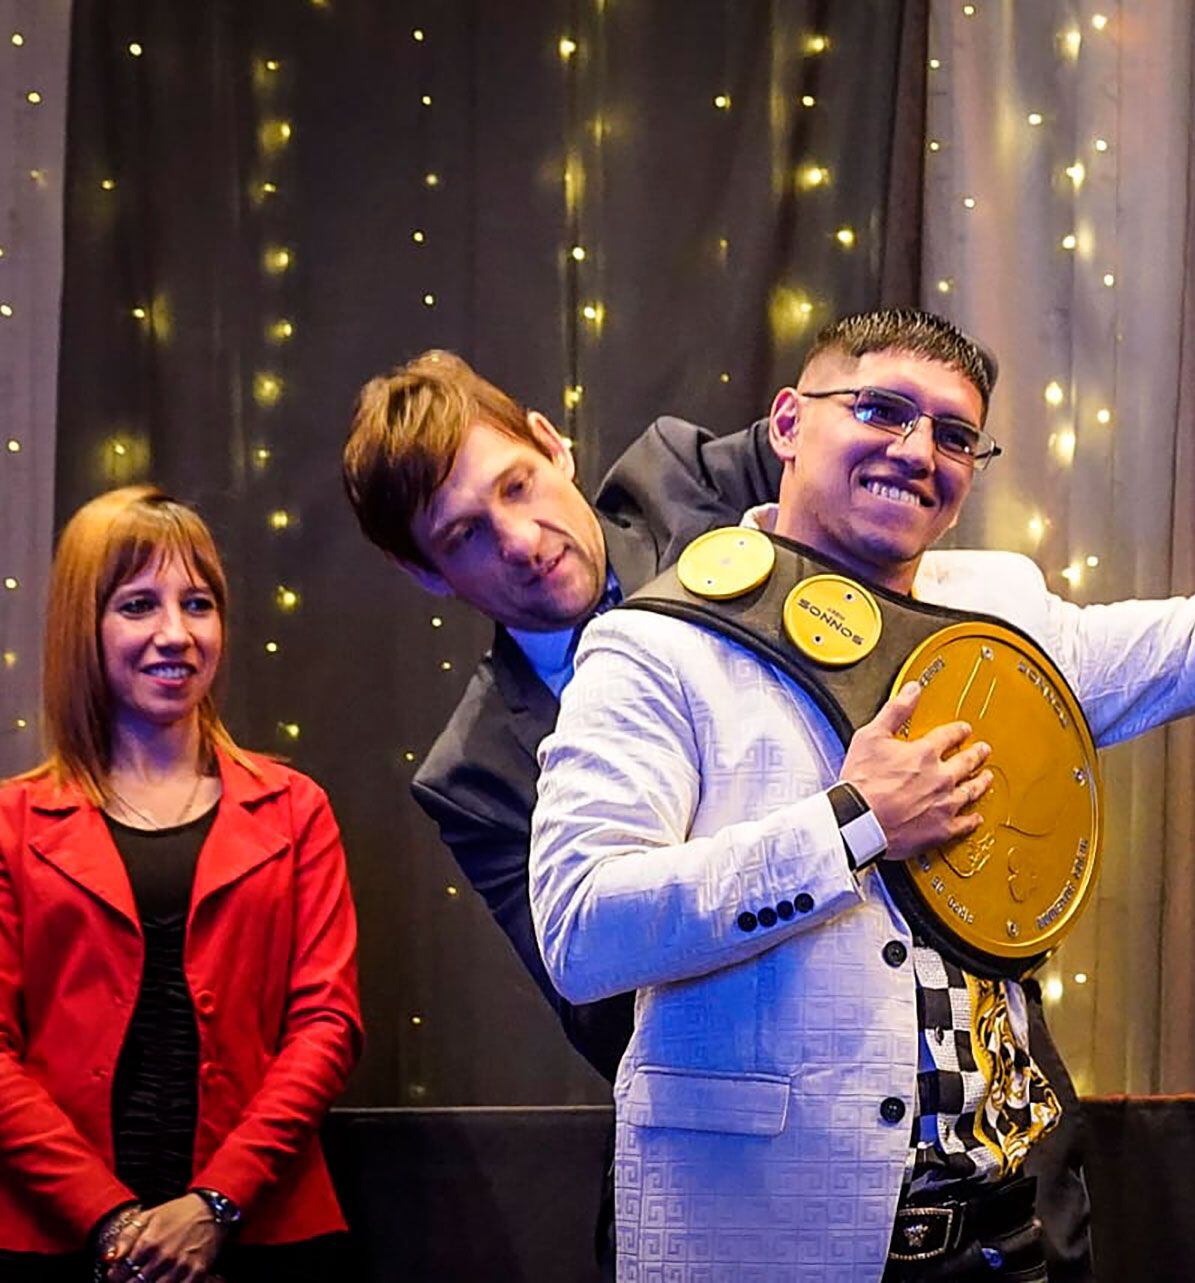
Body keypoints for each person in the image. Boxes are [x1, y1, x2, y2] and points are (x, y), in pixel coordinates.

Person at [527, 268, 1195, 1281]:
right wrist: (849, 823)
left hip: (1009, 1232)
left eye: (955, 435)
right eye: (881, 409)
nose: (917, 451)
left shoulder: (1000, 613)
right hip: (774, 1238)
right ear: (787, 422)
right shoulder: (655, 645)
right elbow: (581, 927)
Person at [340, 350, 1098, 1276]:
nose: (523, 539)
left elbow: (863, 442)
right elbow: (600, 1002)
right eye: (463, 535)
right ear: (424, 574)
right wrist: (830, 853)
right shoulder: (474, 772)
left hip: (991, 1122)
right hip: (748, 1178)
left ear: (551, 441)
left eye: (518, 484)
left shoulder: (687, 478)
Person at [0, 487, 362, 1283]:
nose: (175, 633)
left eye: (197, 603)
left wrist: (214, 1203)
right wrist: (111, 1218)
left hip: (264, 1234)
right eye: (139, 604)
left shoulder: (294, 809)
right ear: (86, 624)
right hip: (49, 1243)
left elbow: (327, 1026)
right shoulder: (10, 824)